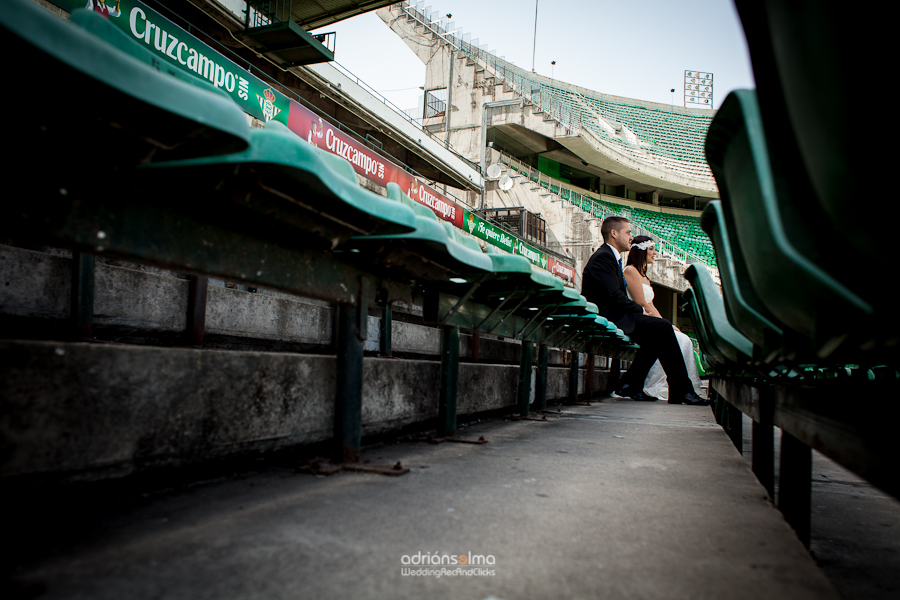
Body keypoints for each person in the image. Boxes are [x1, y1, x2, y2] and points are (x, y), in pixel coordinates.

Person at [581, 217, 708, 405]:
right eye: (628, 232)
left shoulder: (610, 256)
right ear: (614, 233)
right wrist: (640, 310)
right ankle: (681, 390)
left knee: (657, 333)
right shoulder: (603, 256)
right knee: (663, 327)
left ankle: (631, 384)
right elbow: (613, 295)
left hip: (617, 315)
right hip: (608, 316)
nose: (631, 237)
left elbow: (614, 295)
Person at [623, 236, 703, 399]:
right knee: (676, 339)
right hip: (636, 321)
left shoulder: (645, 276)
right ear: (642, 251)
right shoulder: (630, 270)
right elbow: (641, 303)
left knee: (684, 339)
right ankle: (677, 389)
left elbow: (651, 305)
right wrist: (664, 324)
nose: (655, 252)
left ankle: (676, 388)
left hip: (650, 321)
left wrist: (667, 324)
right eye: (651, 249)